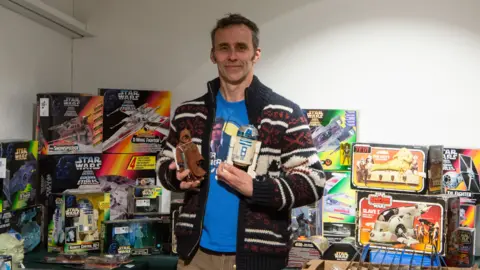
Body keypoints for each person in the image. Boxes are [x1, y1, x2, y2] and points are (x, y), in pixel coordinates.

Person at [156, 13, 325, 270]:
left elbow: (313, 181)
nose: (232, 56)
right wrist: (175, 177)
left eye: (241, 47)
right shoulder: (188, 112)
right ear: (213, 55)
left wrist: (256, 188)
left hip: (257, 259)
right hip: (195, 257)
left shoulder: (284, 113)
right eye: (224, 48)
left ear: (256, 54)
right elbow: (165, 163)